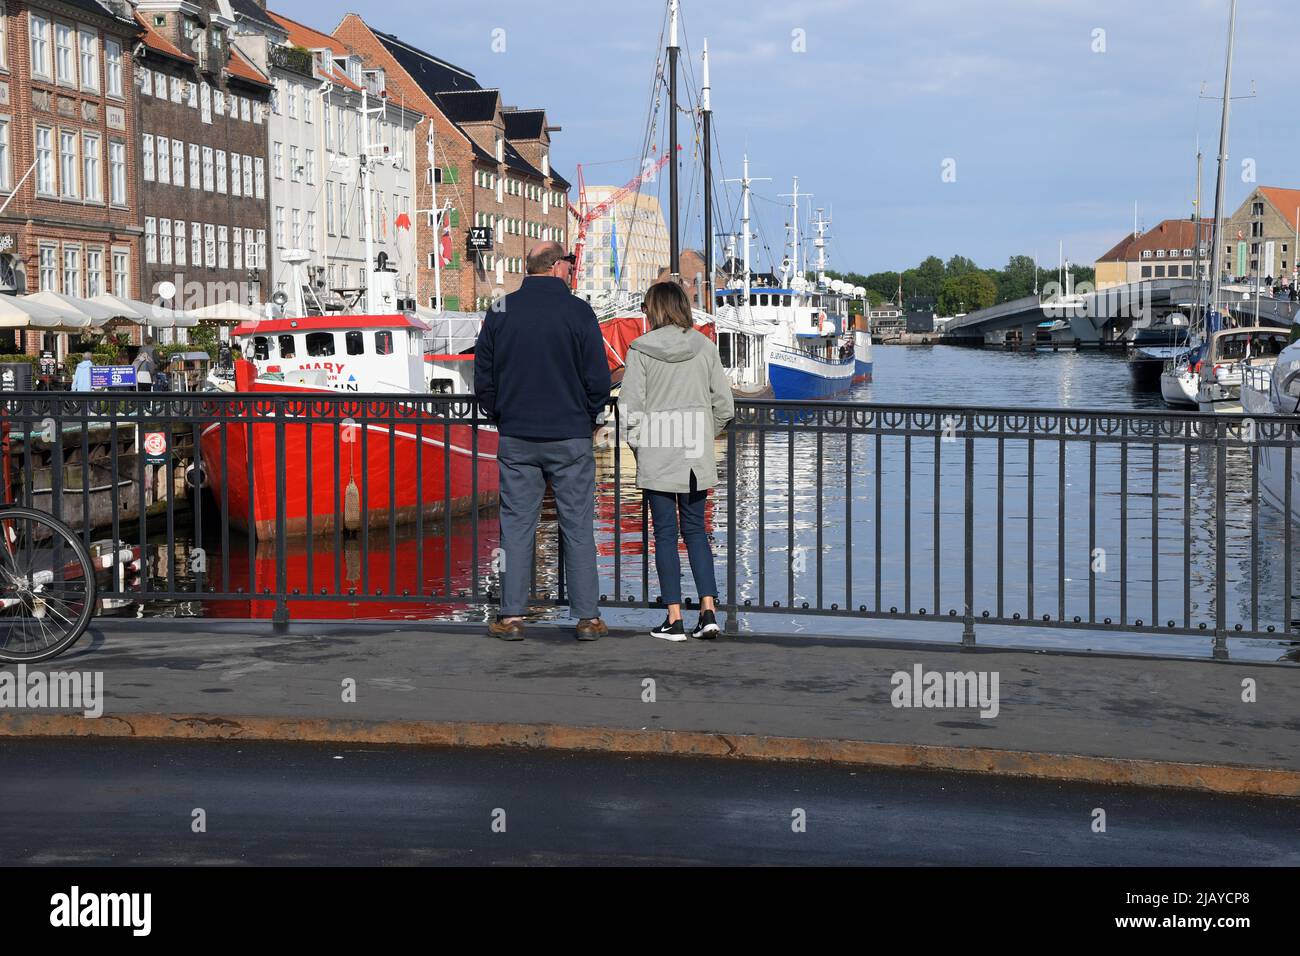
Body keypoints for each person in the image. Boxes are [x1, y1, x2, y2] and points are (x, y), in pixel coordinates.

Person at [474, 241, 612, 641]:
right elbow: (598, 378)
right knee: (577, 525)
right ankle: (587, 618)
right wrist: (587, 414)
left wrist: (499, 412)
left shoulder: (501, 310)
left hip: (517, 435)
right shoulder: (578, 310)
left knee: (516, 527)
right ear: (555, 268)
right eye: (569, 264)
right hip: (569, 436)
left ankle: (512, 616)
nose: (572, 270)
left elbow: (484, 372)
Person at [618, 281, 734, 640]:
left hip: (657, 452)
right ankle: (709, 612)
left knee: (665, 535)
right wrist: (702, 435)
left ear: (653, 310)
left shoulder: (640, 349)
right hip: (693, 456)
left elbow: (629, 410)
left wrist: (641, 446)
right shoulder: (705, 346)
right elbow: (725, 406)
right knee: (697, 532)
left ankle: (674, 619)